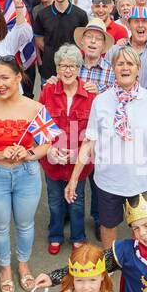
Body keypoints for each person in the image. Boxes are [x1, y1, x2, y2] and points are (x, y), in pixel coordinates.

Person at [66, 45, 147, 249]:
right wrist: (73, 179)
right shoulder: (101, 101)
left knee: (144, 227)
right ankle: (110, 261)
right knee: (108, 225)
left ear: (138, 68)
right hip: (109, 181)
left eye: (130, 63)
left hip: (143, 181)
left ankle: (140, 261)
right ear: (113, 68)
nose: (125, 68)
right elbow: (89, 141)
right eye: (120, 63)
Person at [0, 57, 57, 292]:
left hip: (27, 174)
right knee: (0, 226)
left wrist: (28, 152)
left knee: (25, 224)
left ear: (19, 77)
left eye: (5, 78)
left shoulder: (35, 107)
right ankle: (5, 268)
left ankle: (23, 264)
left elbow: (47, 143)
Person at [39, 44, 95, 253]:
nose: (68, 70)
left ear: (79, 68)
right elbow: (40, 125)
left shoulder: (90, 95)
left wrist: (77, 153)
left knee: (77, 202)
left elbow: (93, 133)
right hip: (52, 161)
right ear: (57, 69)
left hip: (79, 161)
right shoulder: (47, 91)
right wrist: (51, 150)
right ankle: (55, 235)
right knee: (54, 201)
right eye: (63, 66)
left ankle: (78, 236)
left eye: (72, 66)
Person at [32, 0, 89, 82]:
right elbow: (39, 41)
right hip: (49, 71)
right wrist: (53, 52)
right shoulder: (42, 15)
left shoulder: (80, 15)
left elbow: (83, 43)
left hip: (73, 72)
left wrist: (68, 58)